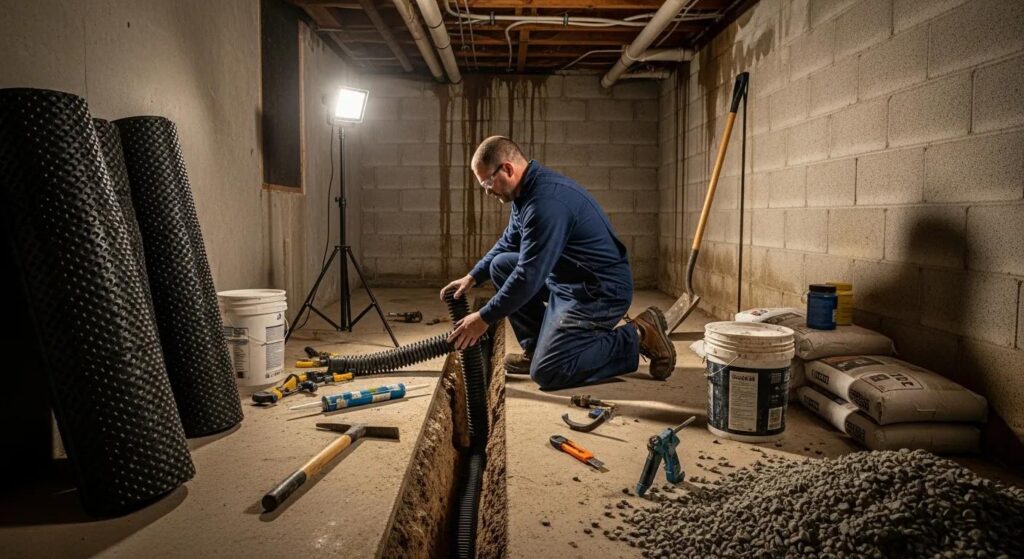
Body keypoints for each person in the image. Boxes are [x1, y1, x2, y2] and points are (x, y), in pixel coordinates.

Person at [440, 136, 676, 390]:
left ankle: (638, 335)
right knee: (500, 265)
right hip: (568, 279)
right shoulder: (525, 193)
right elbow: (509, 241)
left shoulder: (545, 203)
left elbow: (528, 276)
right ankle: (536, 347)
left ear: (507, 169)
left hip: (598, 292)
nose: (487, 191)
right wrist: (473, 276)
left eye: (487, 182)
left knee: (549, 371)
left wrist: (484, 318)